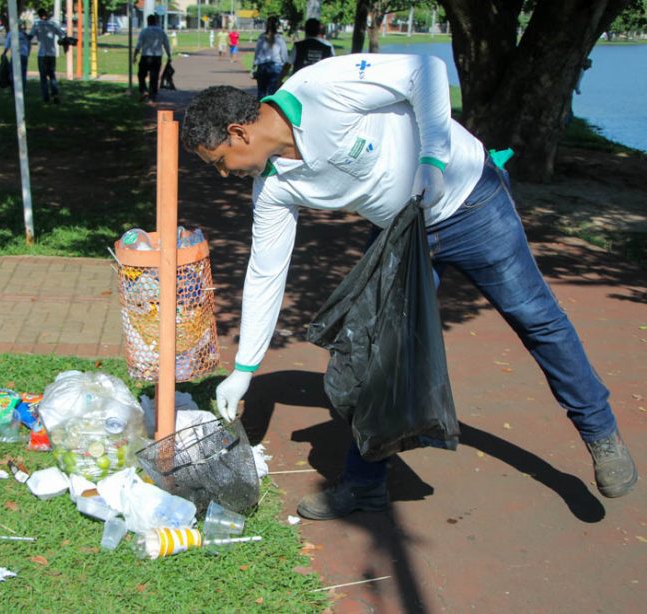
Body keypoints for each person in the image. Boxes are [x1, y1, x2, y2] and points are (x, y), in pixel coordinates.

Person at [181, 54, 637, 520]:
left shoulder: (319, 89)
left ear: (239, 133)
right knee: (375, 355)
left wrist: (433, 158)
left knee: (536, 318)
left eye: (220, 162)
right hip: (402, 232)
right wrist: (244, 369)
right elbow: (265, 273)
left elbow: (427, 71)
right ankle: (364, 485)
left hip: (470, 201)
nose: (224, 174)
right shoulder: (274, 188)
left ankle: (601, 436)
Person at [29, 8, 65, 104]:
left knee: (43, 77)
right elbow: (62, 34)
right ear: (47, 14)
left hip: (42, 54)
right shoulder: (52, 24)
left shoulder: (37, 25)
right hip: (51, 54)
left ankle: (46, 97)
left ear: (39, 15)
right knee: (52, 75)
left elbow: (30, 36)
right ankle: (55, 95)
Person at [133, 14, 171, 103]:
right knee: (154, 77)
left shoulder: (144, 31)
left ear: (148, 21)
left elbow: (139, 45)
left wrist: (134, 56)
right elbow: (166, 44)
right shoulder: (161, 32)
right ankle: (152, 97)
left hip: (146, 56)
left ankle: (144, 90)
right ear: (156, 21)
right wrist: (169, 55)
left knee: (141, 75)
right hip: (157, 57)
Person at [251, 16, 289, 101]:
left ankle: (260, 111)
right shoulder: (279, 38)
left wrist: (253, 67)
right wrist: (285, 67)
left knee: (261, 94)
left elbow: (257, 53)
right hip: (276, 67)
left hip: (262, 67)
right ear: (277, 25)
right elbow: (284, 55)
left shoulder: (261, 37)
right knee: (273, 94)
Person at [2, 13, 32, 92]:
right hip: (24, 55)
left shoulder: (11, 33)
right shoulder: (25, 35)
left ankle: (13, 88)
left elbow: (7, 45)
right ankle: (23, 88)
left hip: (15, 55)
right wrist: (28, 53)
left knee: (13, 73)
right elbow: (29, 45)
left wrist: (4, 53)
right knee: (23, 72)